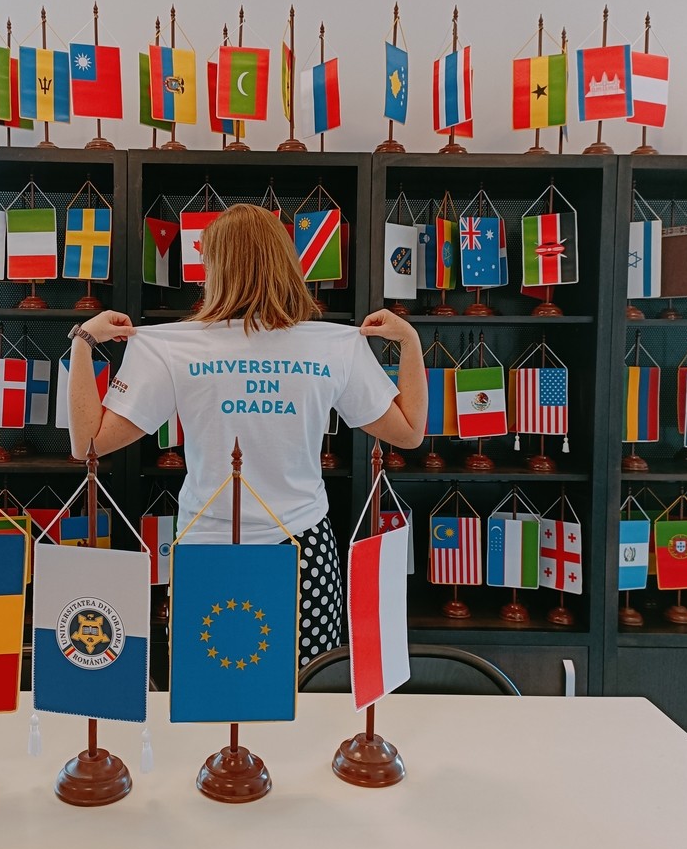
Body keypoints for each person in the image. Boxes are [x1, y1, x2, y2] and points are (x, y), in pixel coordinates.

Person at [68, 203, 427, 666]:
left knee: (207, 686)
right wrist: (409, 342)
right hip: (302, 548)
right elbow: (410, 432)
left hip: (208, 546)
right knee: (305, 689)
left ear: (217, 266)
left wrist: (83, 341)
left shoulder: (179, 347)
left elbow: (87, 442)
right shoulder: (330, 346)